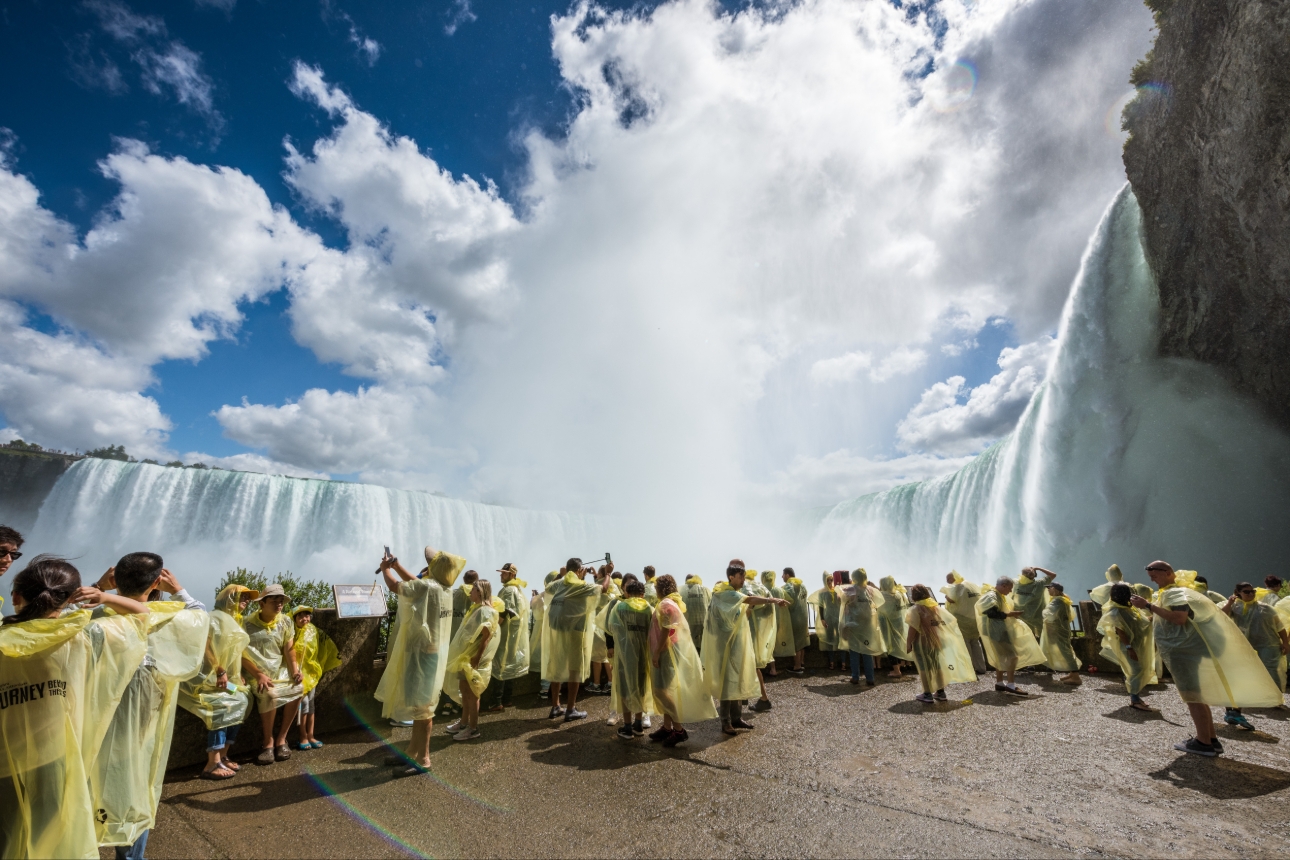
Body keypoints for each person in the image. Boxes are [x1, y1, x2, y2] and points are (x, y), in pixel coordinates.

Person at [0, 555, 149, 859]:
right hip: (54, 759)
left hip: (4, 761)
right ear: (69, 599)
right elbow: (141, 615)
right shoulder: (83, 636)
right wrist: (102, 594)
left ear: (15, 596)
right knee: (49, 841)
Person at [89, 554, 209, 859]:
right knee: (138, 783)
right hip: (144, 715)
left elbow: (62, 617)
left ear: (116, 580)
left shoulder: (98, 616)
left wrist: (98, 588)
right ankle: (130, 855)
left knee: (95, 783)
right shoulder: (167, 617)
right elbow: (200, 616)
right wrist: (178, 589)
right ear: (158, 582)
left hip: (98, 716)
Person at [1129, 562, 1281, 756]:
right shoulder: (1173, 592)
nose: (1151, 577)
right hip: (1185, 652)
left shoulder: (1174, 593)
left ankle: (1203, 743)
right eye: (1149, 574)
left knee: (1193, 697)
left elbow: (1179, 618)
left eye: (1154, 573)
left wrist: (1147, 605)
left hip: (1185, 653)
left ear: (1168, 573)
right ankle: (1211, 739)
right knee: (1197, 696)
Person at [375, 546, 466, 776]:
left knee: (424, 709)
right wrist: (396, 566)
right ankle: (411, 752)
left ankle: (423, 758)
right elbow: (417, 584)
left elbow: (397, 587)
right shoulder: (445, 588)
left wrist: (386, 569)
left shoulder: (427, 587)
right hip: (432, 655)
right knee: (420, 707)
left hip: (423, 656)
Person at [179, 584, 256, 779]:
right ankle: (212, 763)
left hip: (219, 680)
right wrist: (220, 670)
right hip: (202, 682)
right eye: (242, 597)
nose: (246, 602)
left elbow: (232, 654)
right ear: (230, 599)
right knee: (223, 706)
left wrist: (235, 676)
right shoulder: (213, 618)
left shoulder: (233, 620)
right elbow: (204, 645)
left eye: (248, 598)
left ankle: (223, 755)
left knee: (244, 699)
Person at [701, 560, 788, 735]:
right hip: (726, 646)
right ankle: (725, 722)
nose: (743, 580)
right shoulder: (725, 594)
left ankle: (736, 718)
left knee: (737, 679)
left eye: (743, 576)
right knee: (727, 683)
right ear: (731, 577)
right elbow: (748, 600)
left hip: (737, 644)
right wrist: (772, 599)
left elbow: (743, 613)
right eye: (740, 577)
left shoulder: (733, 593)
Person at [240, 584, 304, 766]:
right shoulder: (246, 624)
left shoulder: (285, 621)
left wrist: (295, 671)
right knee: (269, 694)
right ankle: (267, 742)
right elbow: (240, 654)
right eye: (274, 600)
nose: (279, 604)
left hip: (278, 669)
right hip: (255, 672)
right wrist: (258, 674)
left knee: (298, 688)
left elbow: (289, 648)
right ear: (262, 603)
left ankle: (281, 739)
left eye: (281, 601)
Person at [649, 575, 715, 747]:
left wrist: (656, 652)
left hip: (666, 652)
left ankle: (678, 730)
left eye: (656, 588)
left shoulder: (665, 605)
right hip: (671, 650)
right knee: (667, 690)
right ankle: (667, 727)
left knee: (661, 691)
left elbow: (666, 630)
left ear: (661, 589)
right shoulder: (675, 603)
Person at [543, 557, 609, 723]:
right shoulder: (582, 586)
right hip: (576, 632)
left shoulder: (560, 584)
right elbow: (604, 588)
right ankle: (571, 709)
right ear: (580, 571)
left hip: (557, 630)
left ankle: (555, 706)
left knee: (556, 666)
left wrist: (561, 575)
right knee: (575, 669)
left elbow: (548, 587)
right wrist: (607, 573)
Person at [1220, 582, 1288, 729]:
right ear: (1238, 593)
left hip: (1268, 644)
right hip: (1243, 644)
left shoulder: (1266, 609)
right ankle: (1235, 710)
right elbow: (1221, 615)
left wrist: (1286, 643)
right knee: (1241, 674)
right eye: (1247, 592)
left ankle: (1274, 699)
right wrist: (1230, 603)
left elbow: (1280, 627)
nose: (1251, 594)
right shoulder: (1234, 607)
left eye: (1253, 591)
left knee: (1271, 670)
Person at [443, 580, 502, 741]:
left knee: (473, 694)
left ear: (481, 592)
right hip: (465, 658)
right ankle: (463, 723)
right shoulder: (476, 609)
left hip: (473, 659)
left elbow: (486, 637)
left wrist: (477, 658)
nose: (470, 593)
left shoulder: (486, 611)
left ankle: (473, 728)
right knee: (465, 690)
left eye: (473, 590)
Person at [904, 584, 976, 704]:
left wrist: (908, 643)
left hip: (922, 642)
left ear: (914, 596)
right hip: (936, 640)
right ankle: (940, 692)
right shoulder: (935, 608)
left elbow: (913, 628)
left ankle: (927, 694)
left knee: (924, 668)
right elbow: (948, 621)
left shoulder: (916, 609)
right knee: (937, 666)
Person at [976, 576, 1045, 696]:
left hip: (997, 630)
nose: (1010, 591)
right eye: (1010, 588)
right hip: (997, 631)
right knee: (1013, 656)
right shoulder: (992, 596)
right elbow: (991, 613)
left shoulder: (996, 595)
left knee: (1001, 656)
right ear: (1004, 585)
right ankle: (1011, 685)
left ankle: (1000, 683)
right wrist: (1010, 614)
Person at [1097, 583, 1157, 711]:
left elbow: (1142, 622)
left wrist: (1156, 614)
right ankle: (1134, 700)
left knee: (1140, 669)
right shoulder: (1116, 610)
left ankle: (1136, 697)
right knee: (1136, 671)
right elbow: (1120, 631)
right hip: (1129, 646)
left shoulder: (1129, 609)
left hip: (1137, 644)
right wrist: (1129, 648)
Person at [606, 579, 654, 739]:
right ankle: (638, 724)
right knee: (640, 689)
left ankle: (627, 727)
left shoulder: (620, 607)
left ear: (627, 593)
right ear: (642, 594)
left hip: (625, 654)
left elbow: (611, 628)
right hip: (642, 655)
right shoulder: (648, 609)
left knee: (625, 690)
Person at [292, 606, 341, 750]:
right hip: (298, 675)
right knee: (303, 705)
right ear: (293, 618)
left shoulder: (313, 630)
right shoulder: (291, 632)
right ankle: (302, 736)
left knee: (311, 704)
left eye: (307, 615)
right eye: (300, 616)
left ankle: (310, 735)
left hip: (311, 673)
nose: (304, 619)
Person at [486, 563, 529, 712]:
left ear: (512, 575)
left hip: (506, 633)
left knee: (500, 664)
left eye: (504, 573)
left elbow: (506, 611)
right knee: (508, 663)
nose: (501, 575)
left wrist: (494, 627)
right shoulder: (517, 589)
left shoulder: (510, 590)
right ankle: (507, 698)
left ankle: (496, 701)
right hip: (513, 633)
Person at [838, 569, 886, 687]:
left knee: (854, 650)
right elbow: (879, 600)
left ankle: (855, 677)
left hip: (854, 624)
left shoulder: (851, 589)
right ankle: (870, 678)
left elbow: (840, 599)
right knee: (867, 651)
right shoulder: (870, 590)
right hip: (868, 624)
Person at [742, 570, 778, 708]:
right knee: (751, 663)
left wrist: (748, 615)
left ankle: (763, 699)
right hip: (758, 631)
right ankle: (745, 696)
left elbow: (747, 605)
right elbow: (768, 611)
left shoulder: (746, 587)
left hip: (747, 629)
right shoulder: (761, 587)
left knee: (751, 664)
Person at [941, 571, 987, 673]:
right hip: (975, 618)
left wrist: (946, 597)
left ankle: (968, 669)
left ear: (953, 579)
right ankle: (981, 667)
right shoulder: (971, 585)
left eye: (948, 580)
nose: (948, 582)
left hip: (963, 620)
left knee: (965, 643)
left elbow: (952, 600)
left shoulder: (957, 587)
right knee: (975, 642)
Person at [1040, 582, 1081, 685]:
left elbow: (1049, 615)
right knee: (1067, 650)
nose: (1048, 590)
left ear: (1054, 589)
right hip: (1064, 629)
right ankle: (1072, 673)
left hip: (1057, 630)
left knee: (1066, 651)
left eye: (1049, 588)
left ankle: (1076, 677)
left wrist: (1043, 612)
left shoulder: (1057, 601)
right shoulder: (1064, 600)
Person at [588, 562, 618, 696]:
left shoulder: (602, 586)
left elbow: (601, 588)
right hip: (609, 626)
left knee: (596, 657)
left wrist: (606, 573)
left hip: (598, 626)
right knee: (608, 655)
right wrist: (597, 574)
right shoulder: (614, 587)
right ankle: (611, 683)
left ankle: (596, 684)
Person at [762, 569, 797, 674]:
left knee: (767, 643)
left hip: (766, 621)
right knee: (773, 643)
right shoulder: (779, 590)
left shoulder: (762, 589)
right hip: (778, 621)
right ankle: (774, 668)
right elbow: (790, 600)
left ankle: (771, 668)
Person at [531, 570, 559, 701]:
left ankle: (544, 688)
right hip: (558, 632)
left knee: (546, 660)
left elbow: (538, 613)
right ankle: (556, 689)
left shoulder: (544, 596)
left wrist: (535, 598)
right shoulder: (562, 594)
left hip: (545, 633)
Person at [877, 575, 911, 678]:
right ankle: (901, 666)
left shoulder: (884, 595)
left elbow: (879, 608)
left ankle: (896, 670)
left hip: (888, 625)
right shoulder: (899, 594)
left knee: (890, 647)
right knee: (898, 645)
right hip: (899, 623)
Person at [808, 572, 844, 670]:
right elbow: (820, 606)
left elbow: (843, 602)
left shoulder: (837, 591)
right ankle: (831, 662)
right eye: (827, 580)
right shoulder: (822, 593)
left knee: (841, 640)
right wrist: (822, 619)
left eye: (831, 580)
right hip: (828, 618)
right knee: (829, 640)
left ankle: (843, 662)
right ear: (824, 581)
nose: (829, 582)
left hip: (838, 618)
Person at [1013, 566, 1057, 639]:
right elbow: (1053, 575)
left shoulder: (1016, 583)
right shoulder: (1039, 584)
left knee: (1026, 638)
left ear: (1022, 575)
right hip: (1036, 616)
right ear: (1034, 575)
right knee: (1042, 637)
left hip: (1020, 615)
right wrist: (1038, 568)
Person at [781, 568, 810, 674]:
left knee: (796, 642)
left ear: (787, 575)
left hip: (794, 617)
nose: (782, 577)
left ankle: (797, 666)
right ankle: (801, 662)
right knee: (801, 641)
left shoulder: (789, 586)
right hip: (803, 616)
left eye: (783, 575)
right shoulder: (802, 585)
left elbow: (788, 600)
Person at [680, 575, 710, 650]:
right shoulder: (704, 590)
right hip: (703, 625)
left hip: (688, 625)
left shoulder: (682, 590)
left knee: (690, 649)